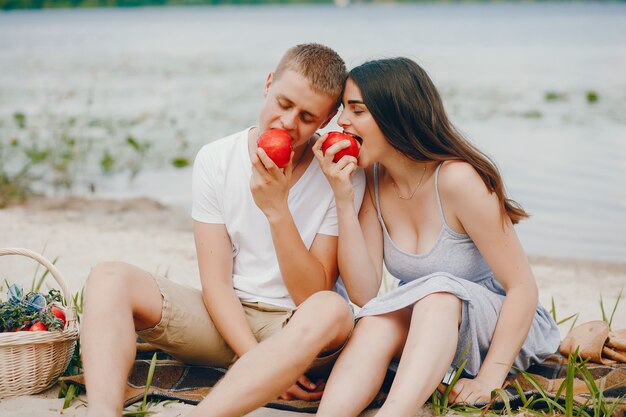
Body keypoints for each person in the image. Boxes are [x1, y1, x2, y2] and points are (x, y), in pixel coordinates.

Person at [80, 43, 366, 417]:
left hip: (297, 328)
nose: (289, 124)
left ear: (327, 120)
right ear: (268, 84)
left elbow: (312, 293)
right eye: (283, 104)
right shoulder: (216, 158)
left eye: (308, 117)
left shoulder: (338, 172)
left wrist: (277, 210)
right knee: (108, 276)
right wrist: (256, 359)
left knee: (332, 309)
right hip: (225, 320)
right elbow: (216, 284)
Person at [312, 57, 560, 417]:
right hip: (429, 328)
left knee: (438, 293)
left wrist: (490, 377)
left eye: (357, 110)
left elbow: (522, 287)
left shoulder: (457, 179)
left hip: (499, 324)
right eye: (343, 109)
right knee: (378, 319)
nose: (341, 121)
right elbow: (365, 293)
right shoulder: (374, 182)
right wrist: (342, 196)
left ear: (395, 114)